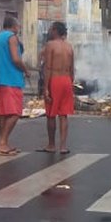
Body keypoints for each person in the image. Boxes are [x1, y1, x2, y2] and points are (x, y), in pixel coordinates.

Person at [0, 15, 27, 156]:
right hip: (11, 79)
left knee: (4, 113)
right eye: (18, 26)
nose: (18, 29)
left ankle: (4, 143)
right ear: (13, 26)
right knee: (15, 113)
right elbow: (16, 59)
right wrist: (25, 70)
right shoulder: (12, 37)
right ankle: (2, 143)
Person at [41, 21, 75, 154]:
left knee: (51, 114)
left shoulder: (50, 45)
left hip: (54, 80)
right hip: (66, 80)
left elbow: (48, 67)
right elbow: (72, 69)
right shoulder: (69, 47)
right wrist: (70, 84)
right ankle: (63, 146)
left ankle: (51, 145)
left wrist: (45, 88)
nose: (49, 31)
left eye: (50, 29)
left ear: (55, 30)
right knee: (63, 115)